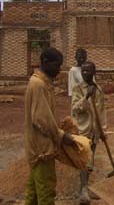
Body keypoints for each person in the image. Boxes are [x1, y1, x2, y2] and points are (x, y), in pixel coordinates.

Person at [25, 47, 77, 205]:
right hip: (42, 149)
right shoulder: (39, 84)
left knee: (33, 193)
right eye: (57, 65)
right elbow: (41, 119)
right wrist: (61, 136)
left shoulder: (40, 82)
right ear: (45, 62)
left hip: (36, 147)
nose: (59, 69)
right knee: (46, 193)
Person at [71, 61, 106, 204]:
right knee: (84, 161)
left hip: (94, 131)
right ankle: (83, 190)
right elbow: (75, 108)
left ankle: (86, 187)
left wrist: (103, 130)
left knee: (90, 160)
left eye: (88, 71)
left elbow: (102, 112)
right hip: (83, 130)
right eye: (83, 71)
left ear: (94, 72)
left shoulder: (99, 90)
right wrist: (86, 97)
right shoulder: (77, 89)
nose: (85, 73)